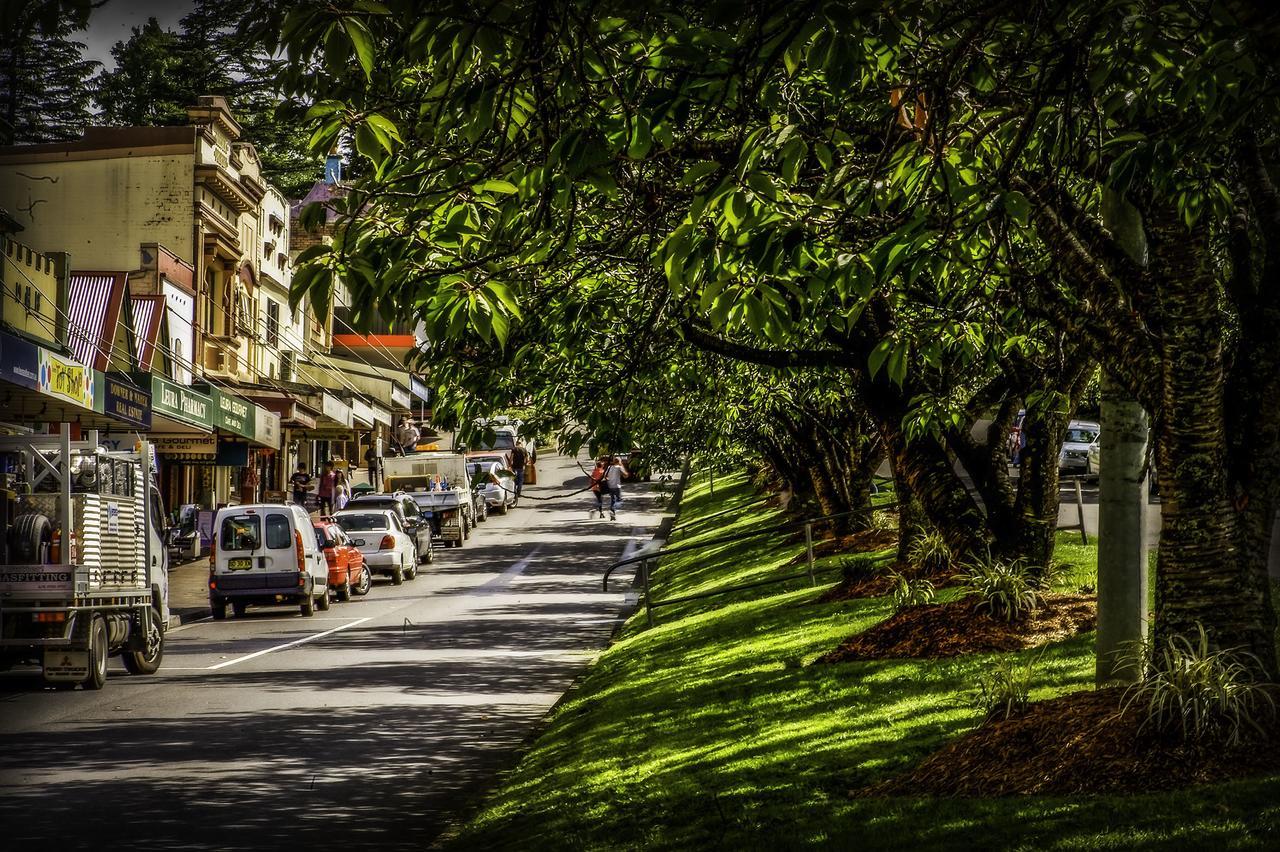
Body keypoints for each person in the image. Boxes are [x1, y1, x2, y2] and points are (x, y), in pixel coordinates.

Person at [602, 455, 628, 520]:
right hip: (617, 486)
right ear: (619, 461)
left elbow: (605, 476)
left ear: (613, 461)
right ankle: (612, 509)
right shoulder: (619, 467)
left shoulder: (609, 467)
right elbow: (625, 476)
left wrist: (609, 479)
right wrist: (622, 465)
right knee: (619, 500)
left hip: (610, 486)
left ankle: (612, 513)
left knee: (612, 500)